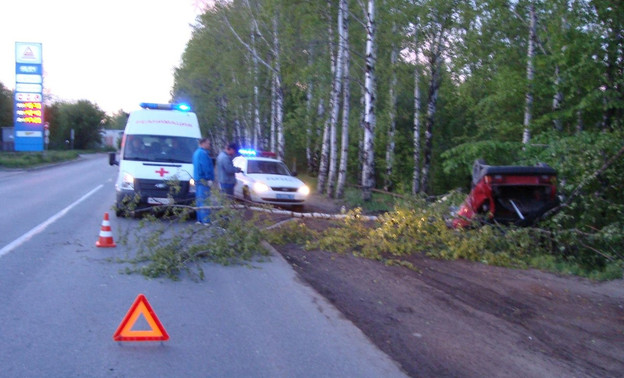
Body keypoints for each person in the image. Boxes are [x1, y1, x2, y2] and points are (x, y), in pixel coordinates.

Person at [193, 138, 214, 224]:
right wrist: (209, 178)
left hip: (197, 179)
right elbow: (206, 167)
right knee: (205, 200)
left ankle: (200, 219)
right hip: (203, 180)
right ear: (204, 143)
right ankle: (206, 220)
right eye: (208, 143)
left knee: (199, 200)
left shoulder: (196, 153)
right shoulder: (203, 153)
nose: (209, 145)